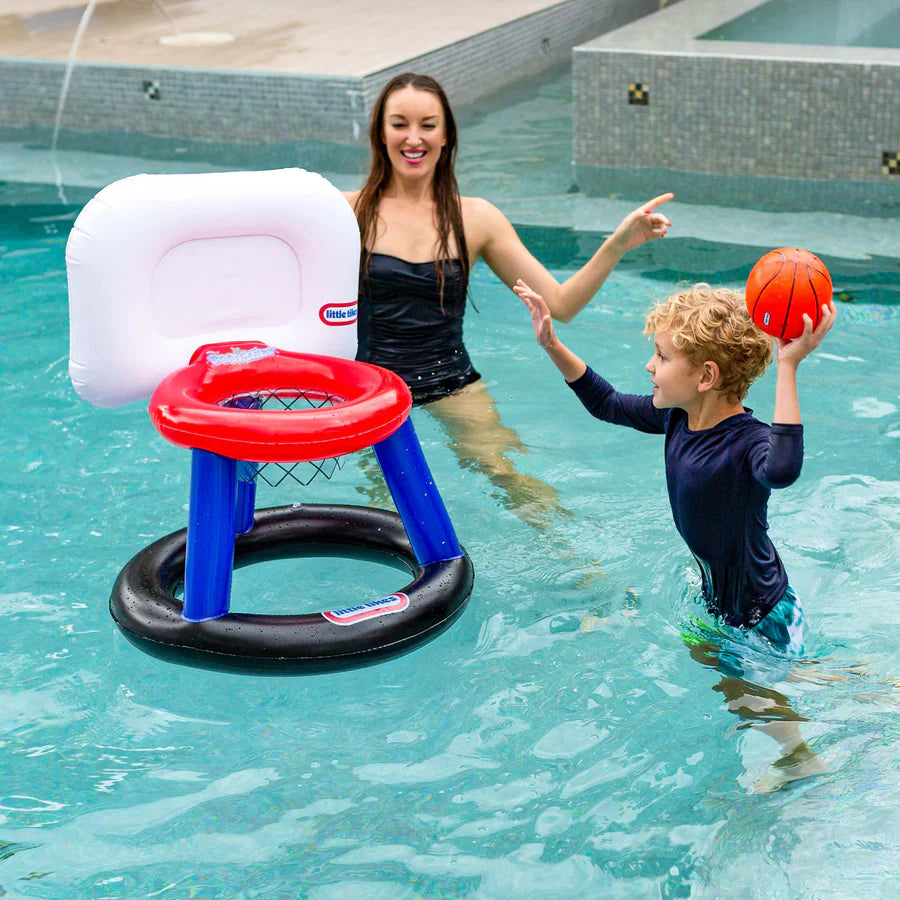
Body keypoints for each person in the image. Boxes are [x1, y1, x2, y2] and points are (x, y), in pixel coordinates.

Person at [516, 277, 837, 790]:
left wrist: (789, 366)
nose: (650, 366)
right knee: (705, 652)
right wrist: (552, 344)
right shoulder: (677, 419)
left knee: (738, 689)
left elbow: (782, 469)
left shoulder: (748, 444)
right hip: (722, 595)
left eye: (662, 357)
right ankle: (841, 685)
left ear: (706, 375)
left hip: (760, 608)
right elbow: (607, 404)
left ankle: (801, 757)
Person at [342, 71, 672, 529]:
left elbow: (560, 304)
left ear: (447, 135)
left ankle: (582, 565)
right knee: (379, 498)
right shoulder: (345, 211)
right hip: (371, 386)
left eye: (428, 125)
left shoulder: (475, 219)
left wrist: (616, 243)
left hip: (448, 377)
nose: (413, 138)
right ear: (380, 132)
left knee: (503, 471)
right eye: (399, 123)